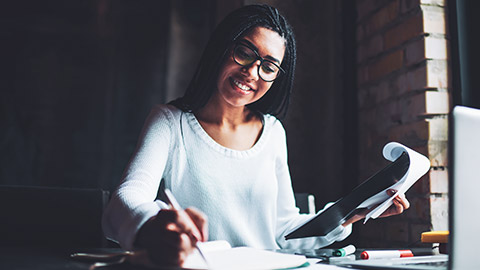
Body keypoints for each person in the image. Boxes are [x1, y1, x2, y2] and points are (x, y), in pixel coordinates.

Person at [102, 4, 410, 267]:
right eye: (244, 52)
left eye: (268, 66)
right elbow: (126, 199)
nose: (252, 72)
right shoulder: (170, 122)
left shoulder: (273, 132)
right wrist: (153, 226)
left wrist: (351, 213)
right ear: (223, 48)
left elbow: (282, 229)